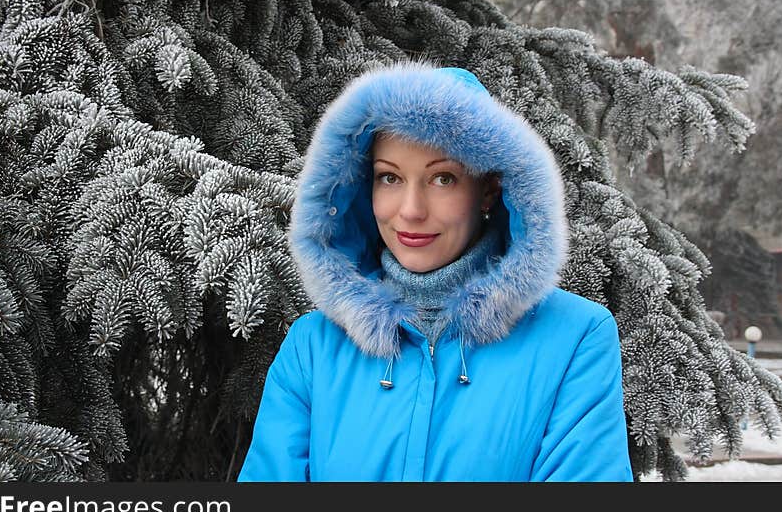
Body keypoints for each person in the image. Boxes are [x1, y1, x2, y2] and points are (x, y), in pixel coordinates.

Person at [237, 62, 633, 481]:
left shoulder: (574, 338)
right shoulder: (313, 348)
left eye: (442, 179)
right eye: (389, 178)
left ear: (488, 190)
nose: (410, 211)